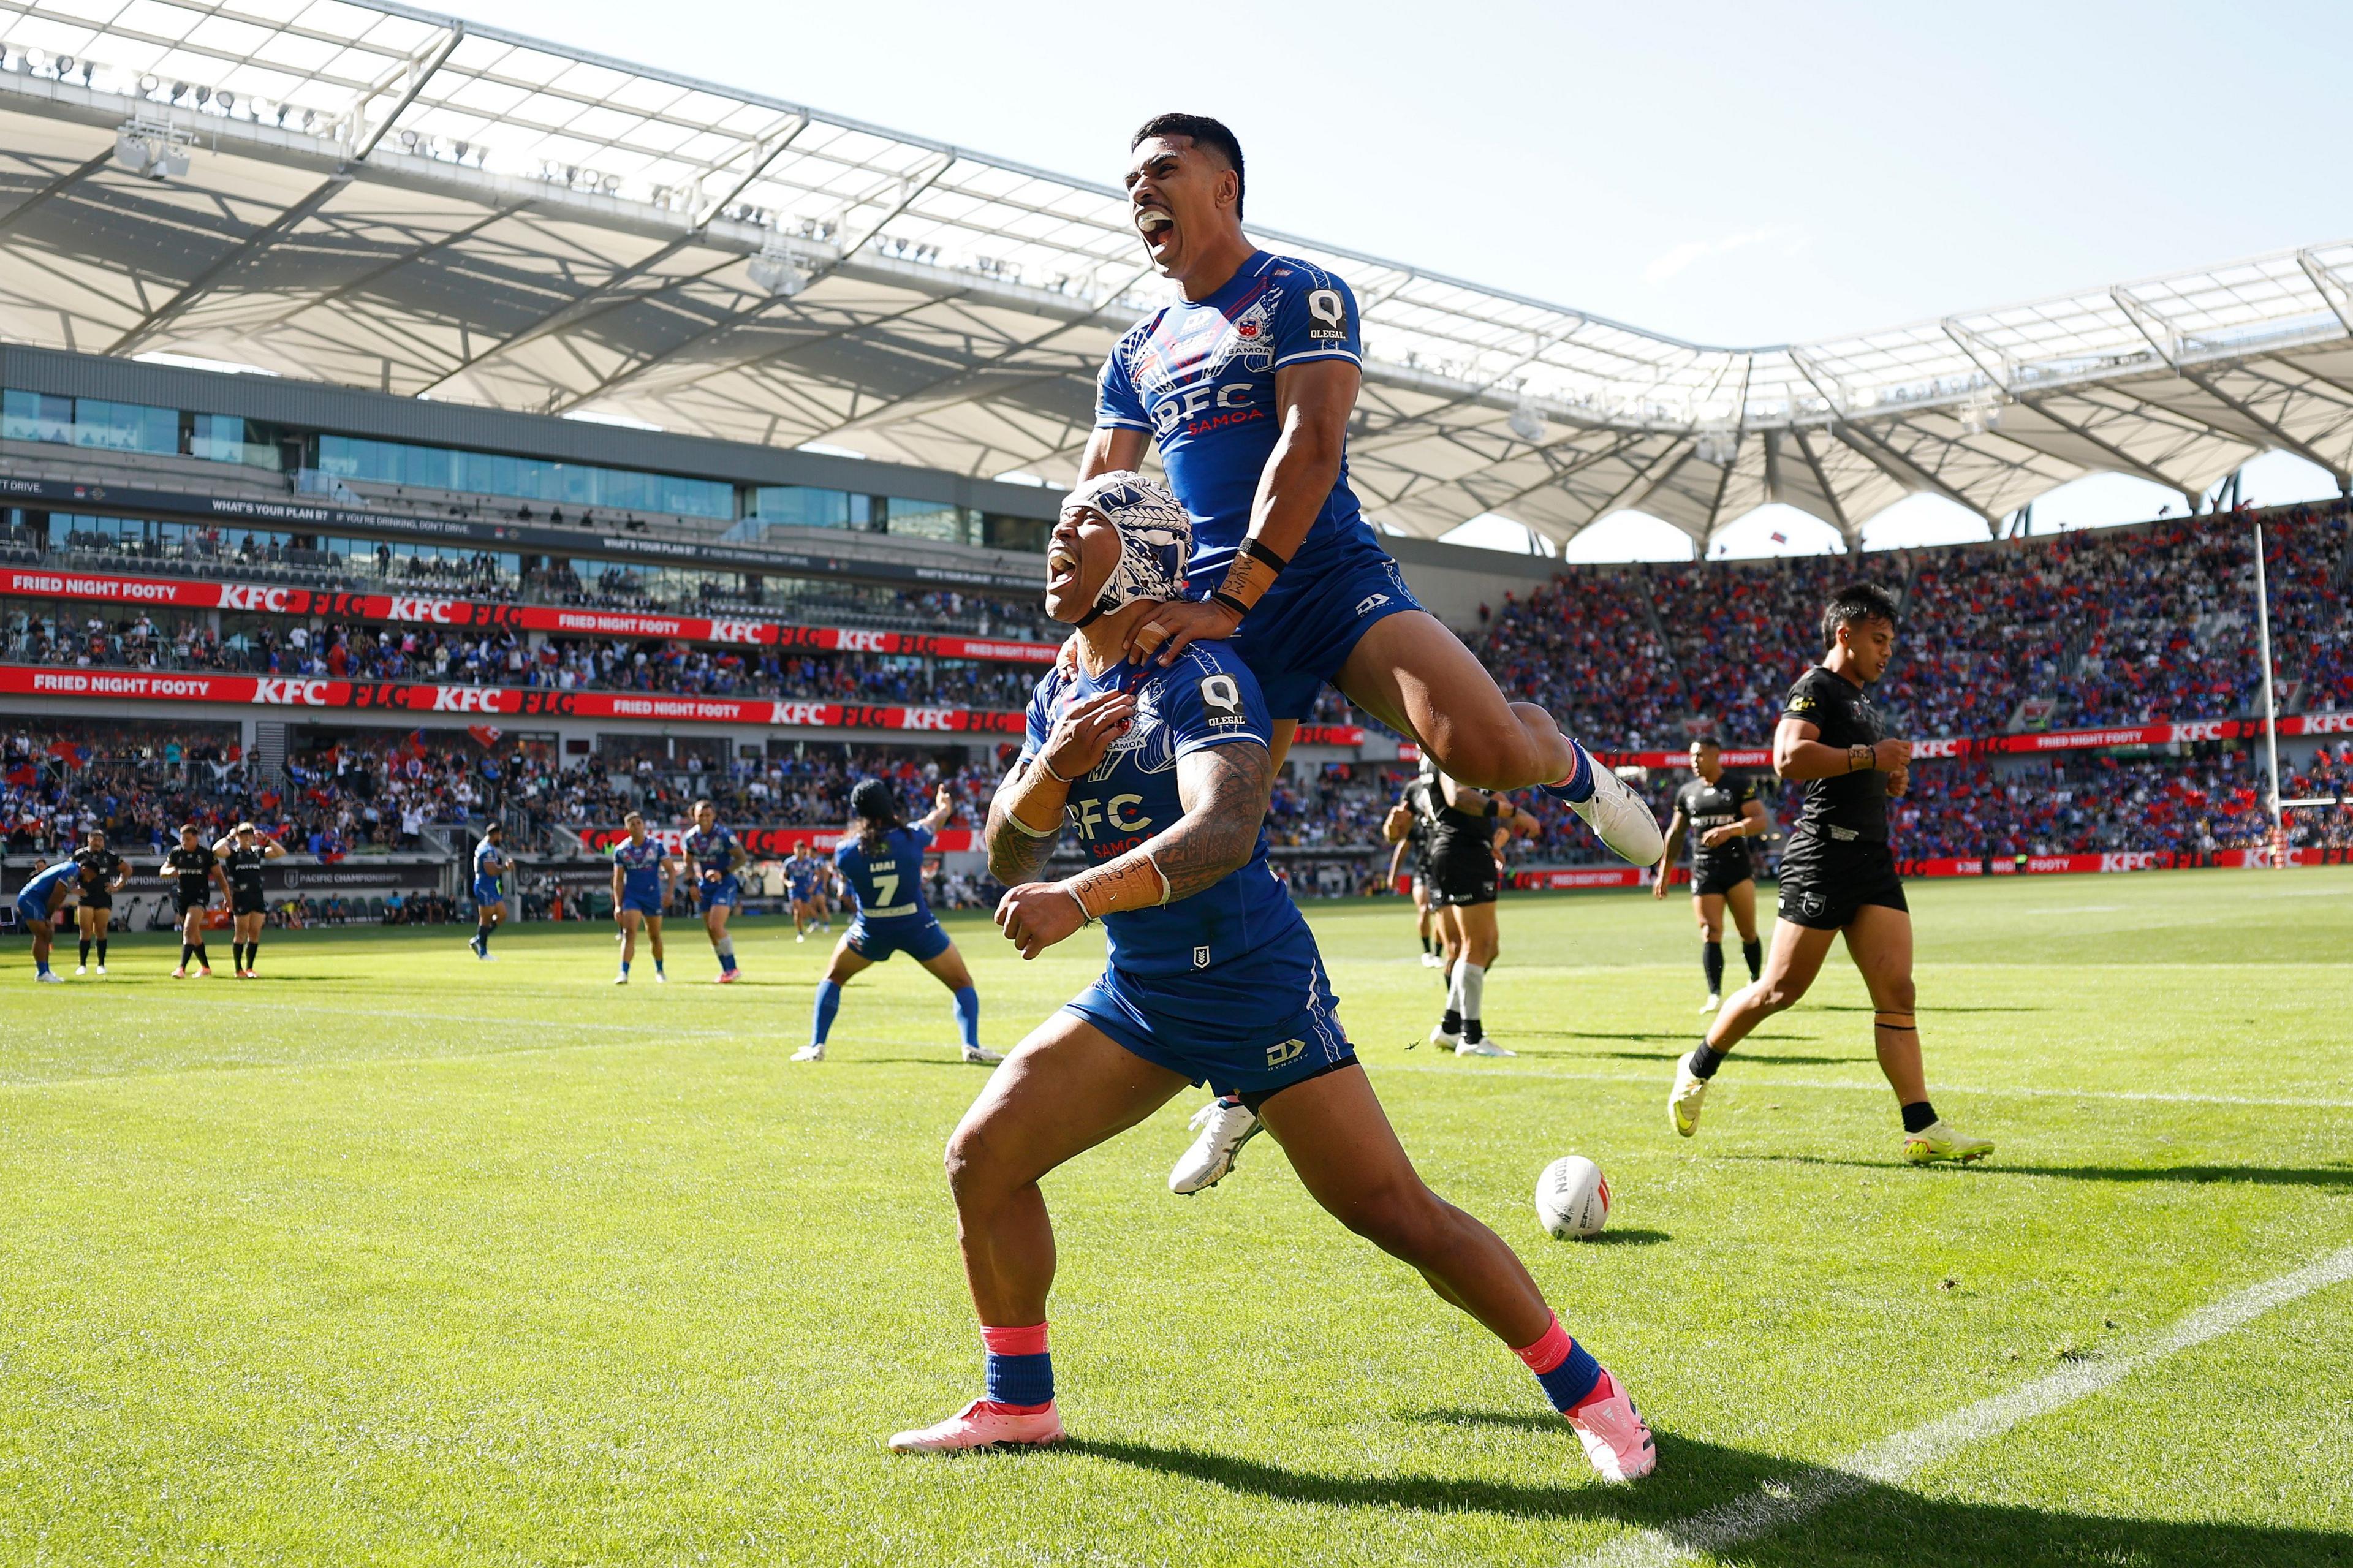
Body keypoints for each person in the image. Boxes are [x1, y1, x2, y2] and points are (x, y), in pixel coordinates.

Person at [885, 475, 1654, 1482]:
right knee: (981, 1156)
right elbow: (1005, 856)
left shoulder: (1198, 670)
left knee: (1393, 1211)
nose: (1059, 533)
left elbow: (1226, 827)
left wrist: (1080, 898)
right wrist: (1051, 771)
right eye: (1060, 518)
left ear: (1149, 550)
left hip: (1251, 981)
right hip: (1145, 992)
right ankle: (1020, 1403)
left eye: (1088, 519)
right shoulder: (1061, 681)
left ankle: (1593, 1394)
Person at [1077, 113, 1660, 868]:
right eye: (1131, 181)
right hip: (1209, 606)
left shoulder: (1302, 292)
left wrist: (1232, 600)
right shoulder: (1134, 354)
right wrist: (1090, 620)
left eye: (1161, 171)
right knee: (1216, 834)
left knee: (1479, 755)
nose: (1140, 190)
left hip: (1325, 577)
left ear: (1226, 188)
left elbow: (1310, 447)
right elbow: (1098, 496)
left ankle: (1568, 766)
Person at [1670, 583, 1995, 1165]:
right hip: (1822, 856)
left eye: (1891, 640)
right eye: (1878, 638)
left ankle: (1921, 1127)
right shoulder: (1815, 687)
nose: (1887, 650)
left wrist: (1887, 778)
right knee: (1779, 990)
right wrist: (1871, 758)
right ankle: (1697, 1067)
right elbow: (1788, 758)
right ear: (1843, 633)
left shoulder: (1864, 702)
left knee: (1898, 991)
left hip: (1872, 860)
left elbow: (1850, 772)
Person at [796, 781, 997, 1066]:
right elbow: (934, 821)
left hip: (870, 929)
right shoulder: (912, 836)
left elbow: (851, 875)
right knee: (962, 983)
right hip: (917, 927)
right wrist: (943, 807)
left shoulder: (845, 851)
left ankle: (816, 1046)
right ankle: (971, 1045)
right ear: (888, 805)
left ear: (858, 813)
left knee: (834, 978)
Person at [1415, 766, 1524, 1056]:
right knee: (1477, 945)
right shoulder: (1445, 752)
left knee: (1484, 948)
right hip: (1464, 850)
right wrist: (1508, 811)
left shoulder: (1433, 755)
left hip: (1454, 850)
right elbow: (1458, 796)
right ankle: (1472, 1037)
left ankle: (1451, 1027)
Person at [1654, 738, 1768, 1011]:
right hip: (1704, 871)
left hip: (1737, 869)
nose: (1695, 761)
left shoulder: (1738, 786)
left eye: (1700, 756)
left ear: (1717, 756)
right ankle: (1715, 994)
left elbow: (1759, 821)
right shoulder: (1687, 793)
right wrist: (1664, 873)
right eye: (1693, 756)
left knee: (1747, 931)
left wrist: (1730, 831)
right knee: (1710, 931)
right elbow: (1676, 834)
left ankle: (1756, 981)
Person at [681, 800, 746, 983]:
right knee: (711, 931)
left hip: (725, 884)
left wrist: (722, 872)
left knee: (716, 925)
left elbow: (742, 858)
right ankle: (726, 970)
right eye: (701, 815)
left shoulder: (723, 835)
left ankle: (733, 968)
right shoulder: (690, 838)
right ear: (694, 816)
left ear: (714, 816)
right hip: (704, 886)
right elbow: (688, 865)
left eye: (708, 815)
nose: (705, 819)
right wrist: (691, 884)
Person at [211, 822, 286, 979]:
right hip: (241, 896)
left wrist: (267, 840)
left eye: (250, 835)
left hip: (257, 896)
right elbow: (216, 850)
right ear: (238, 837)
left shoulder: (257, 852)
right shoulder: (232, 853)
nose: (247, 838)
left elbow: (281, 852)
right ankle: (239, 970)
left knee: (255, 933)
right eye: (243, 835)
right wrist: (229, 837)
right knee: (241, 934)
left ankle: (250, 968)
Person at [610, 811, 673, 985]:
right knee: (629, 933)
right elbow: (618, 880)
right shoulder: (622, 851)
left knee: (654, 935)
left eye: (639, 823)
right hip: (633, 896)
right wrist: (618, 905)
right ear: (627, 828)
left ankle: (660, 970)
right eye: (633, 824)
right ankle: (624, 972)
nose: (637, 826)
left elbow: (671, 870)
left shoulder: (656, 846)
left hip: (652, 895)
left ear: (644, 825)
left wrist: (669, 892)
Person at [164, 822, 227, 978]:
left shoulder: (206, 855)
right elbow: (162, 871)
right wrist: (169, 871)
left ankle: (181, 969)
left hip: (199, 896)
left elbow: (220, 877)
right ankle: (205, 967)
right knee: (195, 934)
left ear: (196, 838)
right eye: (182, 839)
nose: (184, 842)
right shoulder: (176, 853)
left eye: (187, 839)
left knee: (188, 930)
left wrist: (228, 898)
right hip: (182, 896)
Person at [71, 827, 127, 977]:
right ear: (88, 841)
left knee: (101, 930)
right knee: (85, 931)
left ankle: (101, 964)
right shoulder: (80, 855)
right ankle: (82, 965)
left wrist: (118, 885)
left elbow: (127, 870)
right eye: (94, 840)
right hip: (86, 897)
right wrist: (73, 889)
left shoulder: (110, 856)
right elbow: (67, 872)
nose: (97, 843)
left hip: (103, 897)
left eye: (100, 840)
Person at [14, 857, 78, 983]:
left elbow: (61, 893)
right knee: (42, 935)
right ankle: (42, 972)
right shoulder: (71, 870)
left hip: (39, 902)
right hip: (32, 901)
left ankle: (45, 971)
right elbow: (57, 893)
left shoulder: (62, 871)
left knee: (47, 935)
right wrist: (48, 915)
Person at [469, 823, 509, 961]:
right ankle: (483, 953)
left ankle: (478, 940)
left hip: (490, 886)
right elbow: (491, 871)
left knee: (502, 914)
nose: (501, 838)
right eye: (500, 835)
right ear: (495, 834)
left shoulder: (487, 846)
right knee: (485, 919)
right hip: (484, 886)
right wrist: (506, 868)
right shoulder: (487, 849)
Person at [785, 843, 824, 942]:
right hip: (795, 889)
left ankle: (813, 921)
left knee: (804, 913)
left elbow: (818, 875)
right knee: (797, 910)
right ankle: (800, 933)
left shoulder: (810, 862)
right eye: (796, 849)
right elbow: (783, 875)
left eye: (800, 849)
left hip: (806, 889)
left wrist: (813, 886)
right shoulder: (790, 862)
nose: (798, 852)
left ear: (804, 850)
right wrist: (788, 882)